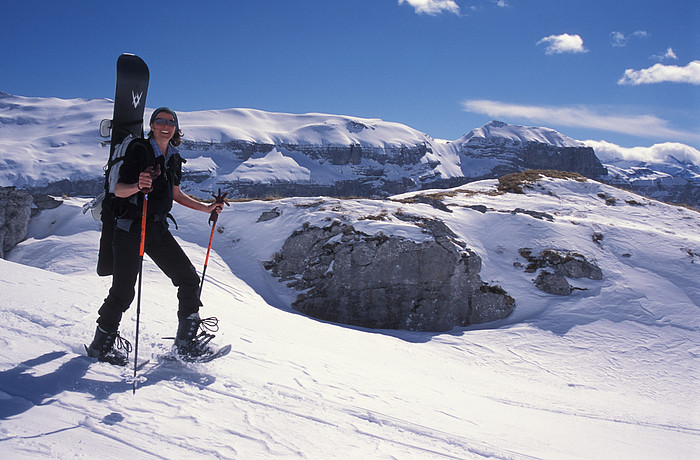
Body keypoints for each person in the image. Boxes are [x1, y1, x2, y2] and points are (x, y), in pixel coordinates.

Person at [86, 107, 224, 365]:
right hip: (130, 228)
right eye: (160, 120)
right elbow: (118, 190)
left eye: (171, 122)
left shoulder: (173, 157)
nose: (165, 125)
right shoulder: (139, 149)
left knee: (188, 279)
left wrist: (206, 207)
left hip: (156, 229)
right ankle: (99, 346)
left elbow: (176, 194)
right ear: (151, 125)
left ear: (176, 129)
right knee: (123, 292)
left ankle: (185, 345)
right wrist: (138, 185)